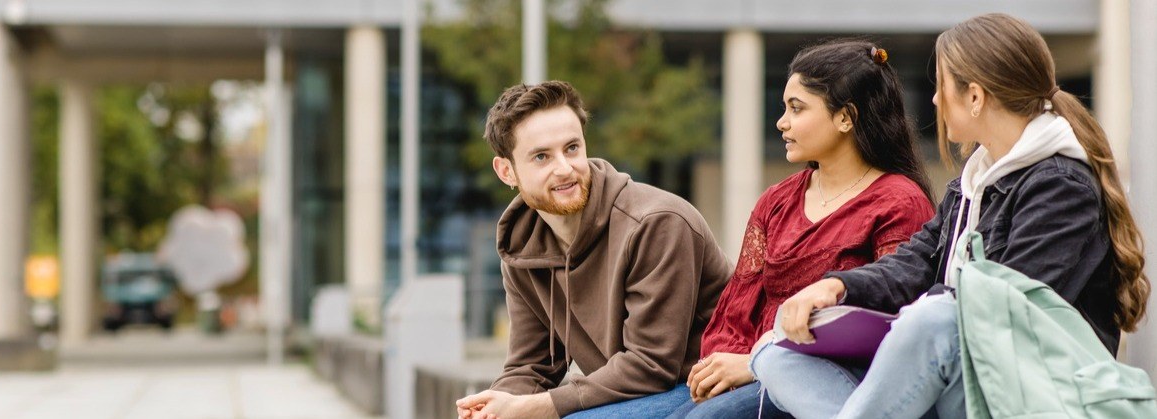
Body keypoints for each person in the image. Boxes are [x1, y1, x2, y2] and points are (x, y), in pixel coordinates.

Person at [752, 13, 1151, 418]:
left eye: (942, 87)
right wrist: (837, 287)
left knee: (937, 317)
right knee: (773, 352)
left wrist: (916, 319)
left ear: (975, 98)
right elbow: (916, 260)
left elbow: (1000, 306)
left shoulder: (1061, 187)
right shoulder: (973, 181)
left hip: (1026, 386)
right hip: (959, 371)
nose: (935, 101)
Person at [669, 40, 935, 419]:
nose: (782, 122)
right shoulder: (776, 200)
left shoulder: (898, 202)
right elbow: (737, 306)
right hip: (751, 374)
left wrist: (756, 362)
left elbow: (890, 322)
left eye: (797, 108)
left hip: (833, 382)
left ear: (846, 118)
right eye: (784, 108)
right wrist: (722, 366)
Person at [454, 81, 730, 419]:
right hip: (633, 392)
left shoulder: (656, 223)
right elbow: (531, 366)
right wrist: (491, 409)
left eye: (571, 148)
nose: (565, 168)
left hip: (701, 386)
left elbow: (652, 366)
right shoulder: (522, 250)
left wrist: (537, 408)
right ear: (506, 171)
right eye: (542, 156)